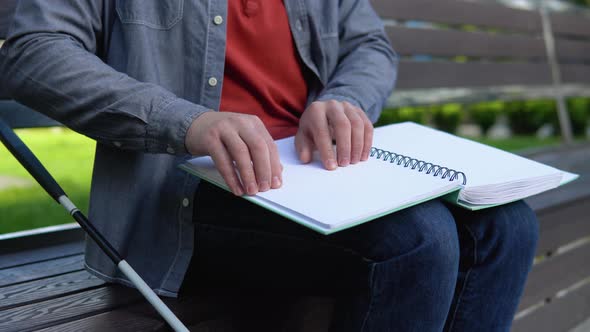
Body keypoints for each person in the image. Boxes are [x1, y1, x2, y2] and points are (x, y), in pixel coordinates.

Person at [0, 0, 538, 331]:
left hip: (320, 173)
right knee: (419, 240)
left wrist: (346, 98)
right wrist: (187, 122)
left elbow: (369, 44)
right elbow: (33, 52)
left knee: (507, 226)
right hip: (186, 189)